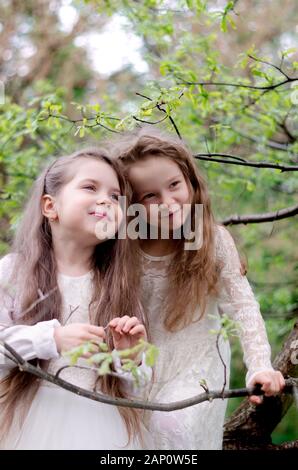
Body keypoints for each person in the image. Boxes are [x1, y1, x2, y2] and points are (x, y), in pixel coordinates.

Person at [112, 127, 285, 450]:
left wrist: (260, 365)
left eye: (174, 185)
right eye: (149, 196)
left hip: (197, 365)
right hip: (139, 367)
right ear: (130, 203)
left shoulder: (212, 241)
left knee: (169, 428)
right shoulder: (124, 249)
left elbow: (244, 307)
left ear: (190, 181)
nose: (167, 202)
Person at [0, 148, 152, 450]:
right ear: (50, 206)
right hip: (27, 421)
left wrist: (129, 358)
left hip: (103, 425)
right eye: (90, 187)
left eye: (114, 196)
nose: (105, 201)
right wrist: (51, 339)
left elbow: (138, 387)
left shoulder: (118, 285)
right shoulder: (12, 272)